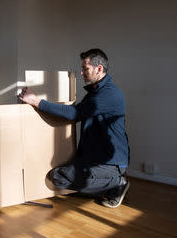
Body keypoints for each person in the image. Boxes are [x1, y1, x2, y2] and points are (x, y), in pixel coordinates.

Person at [18, 49, 130, 208]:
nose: (82, 73)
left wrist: (37, 101)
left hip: (110, 162)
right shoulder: (95, 93)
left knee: (59, 177)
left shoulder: (110, 94)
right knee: (69, 179)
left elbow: (74, 114)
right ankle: (107, 183)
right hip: (94, 158)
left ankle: (117, 183)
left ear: (99, 69)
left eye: (86, 69)